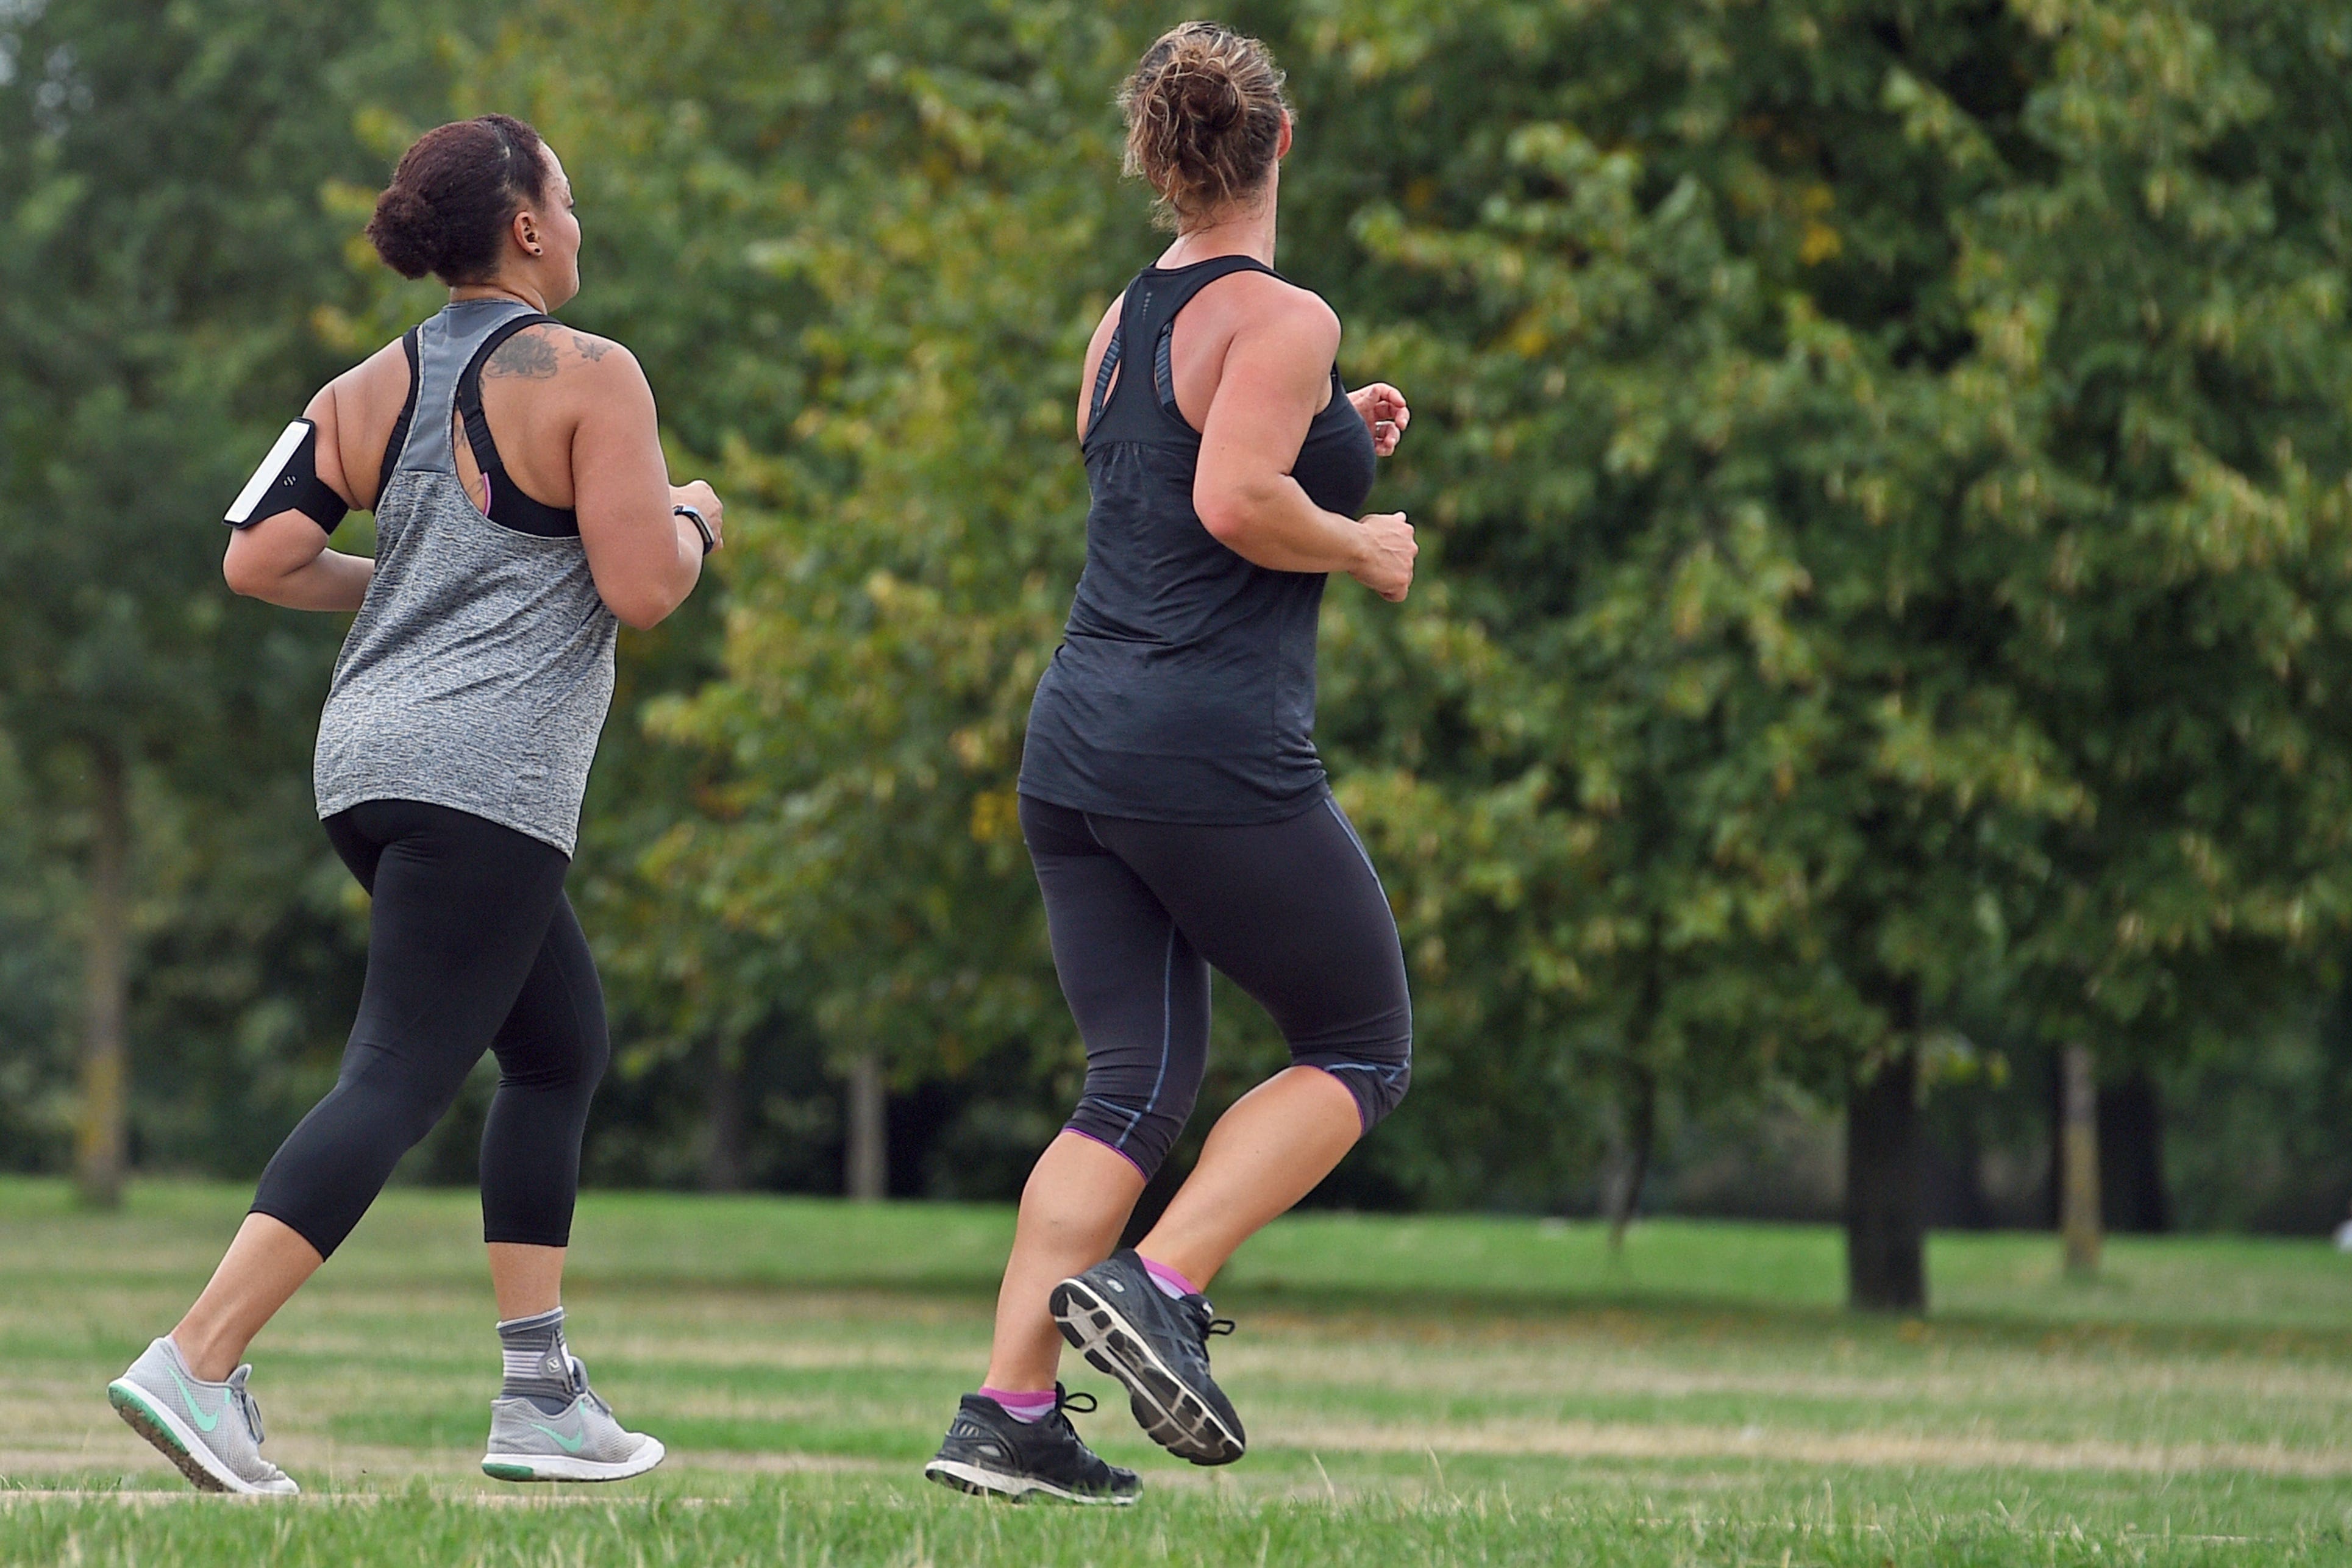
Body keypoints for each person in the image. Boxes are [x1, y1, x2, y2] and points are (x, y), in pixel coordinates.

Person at [105, 114, 724, 1495]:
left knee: (560, 1045)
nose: (577, 217)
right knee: (397, 1074)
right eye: (567, 192)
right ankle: (197, 1357)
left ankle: (541, 1386)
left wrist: (396, 587)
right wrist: (695, 510)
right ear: (524, 224)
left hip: (367, 766)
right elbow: (645, 587)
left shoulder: (360, 385)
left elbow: (257, 559)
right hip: (484, 778)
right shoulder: (592, 372)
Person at [922, 21, 1417, 1506]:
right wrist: (1362, 539)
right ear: (1281, 139)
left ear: (1156, 161)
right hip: (1204, 747)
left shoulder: (1123, 319)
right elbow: (1234, 496)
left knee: (1132, 1081)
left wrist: (1348, 426)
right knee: (1360, 1040)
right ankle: (1163, 1285)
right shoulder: (1284, 314)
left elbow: (1184, 459)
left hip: (1074, 745)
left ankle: (1011, 1408)